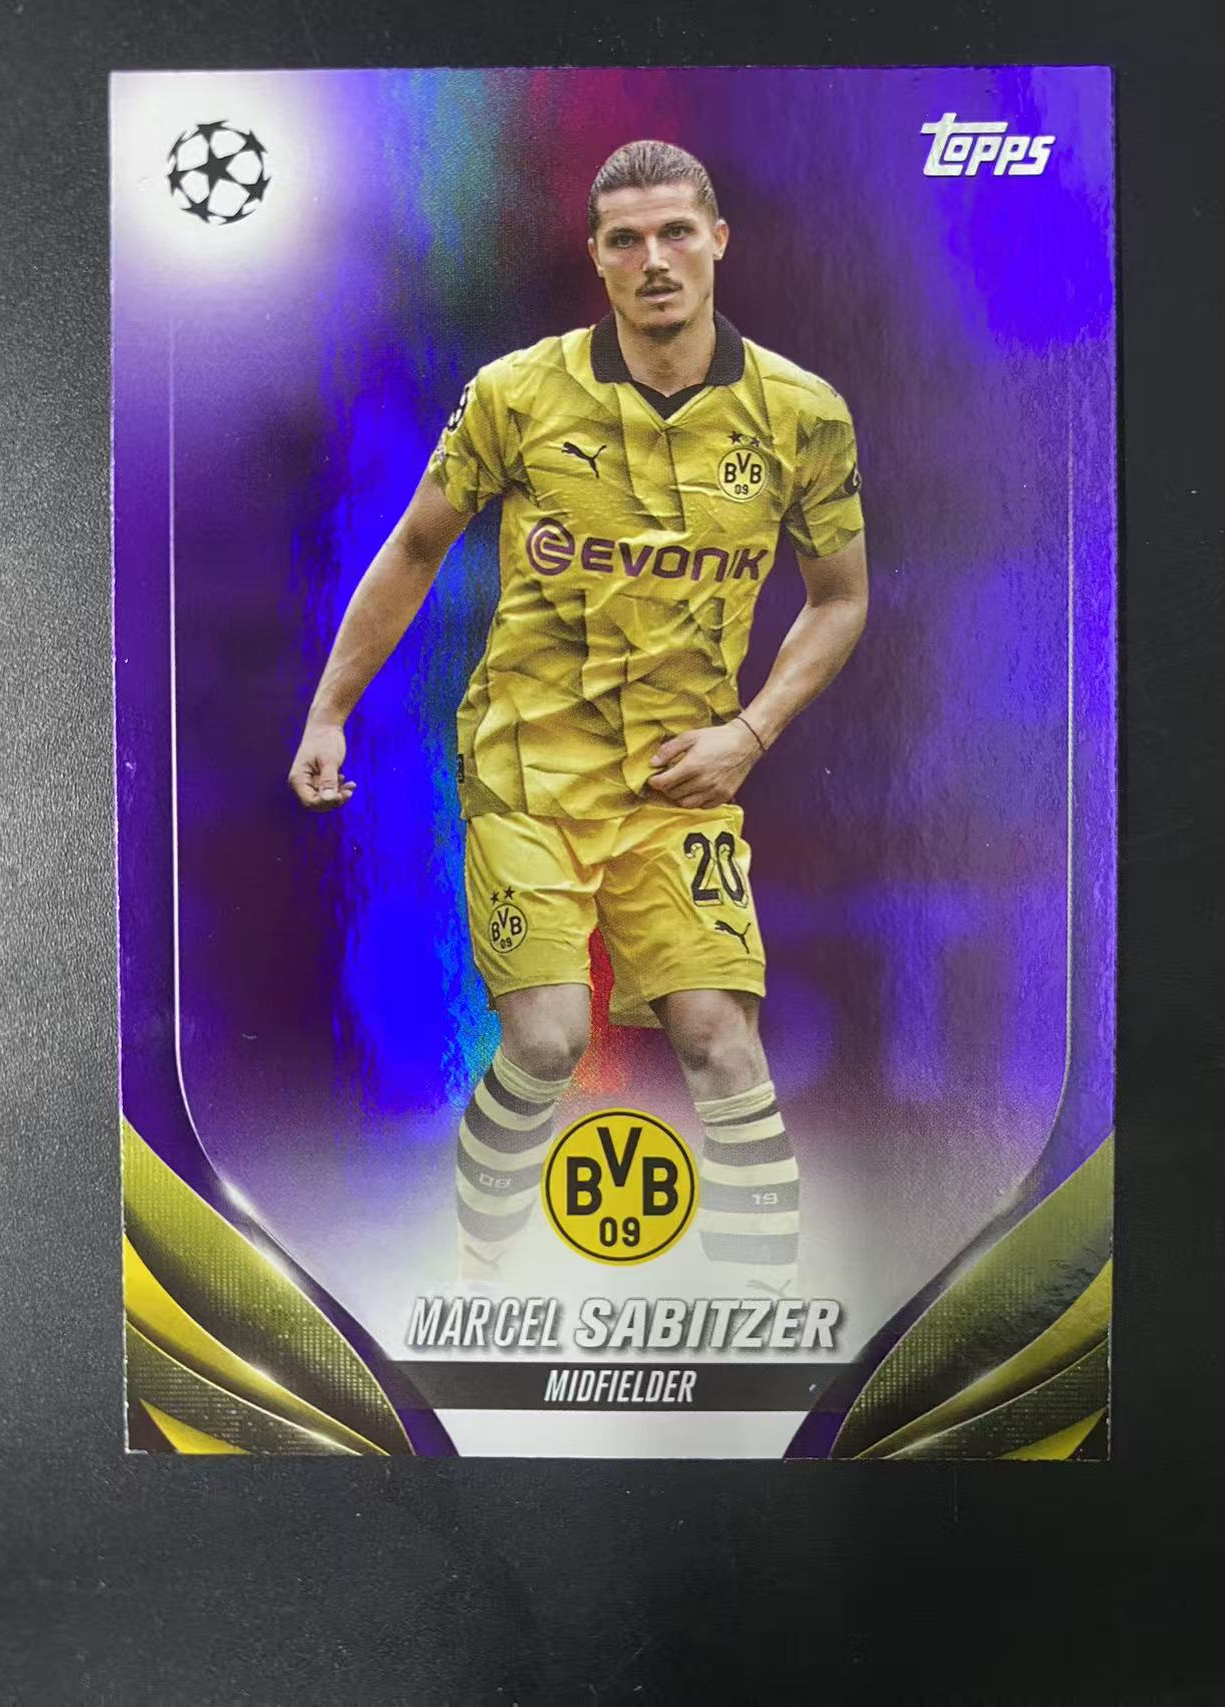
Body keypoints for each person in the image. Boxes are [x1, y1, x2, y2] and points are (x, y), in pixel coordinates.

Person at [289, 140, 868, 1296]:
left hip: (680, 782)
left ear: (716, 242)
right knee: (548, 1041)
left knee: (721, 1042)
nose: (653, 259)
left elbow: (840, 597)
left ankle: (765, 1316)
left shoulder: (800, 414)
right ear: (597, 258)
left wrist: (750, 733)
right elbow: (414, 546)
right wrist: (328, 712)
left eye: (674, 233)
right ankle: (482, 1282)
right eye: (625, 239)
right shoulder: (515, 394)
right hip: (528, 773)